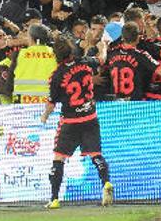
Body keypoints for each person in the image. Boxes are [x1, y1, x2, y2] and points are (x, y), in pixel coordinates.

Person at [40, 35, 113, 209]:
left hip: (70, 121)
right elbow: (102, 59)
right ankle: (106, 183)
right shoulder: (86, 62)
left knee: (59, 158)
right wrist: (103, 45)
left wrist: (44, 116)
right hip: (90, 117)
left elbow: (51, 102)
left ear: (56, 55)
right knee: (95, 154)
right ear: (72, 50)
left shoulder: (57, 75)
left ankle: (55, 198)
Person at [12, 24, 57, 103]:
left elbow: (11, 77)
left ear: (31, 38)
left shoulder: (20, 54)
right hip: (49, 99)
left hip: (24, 99)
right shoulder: (55, 53)